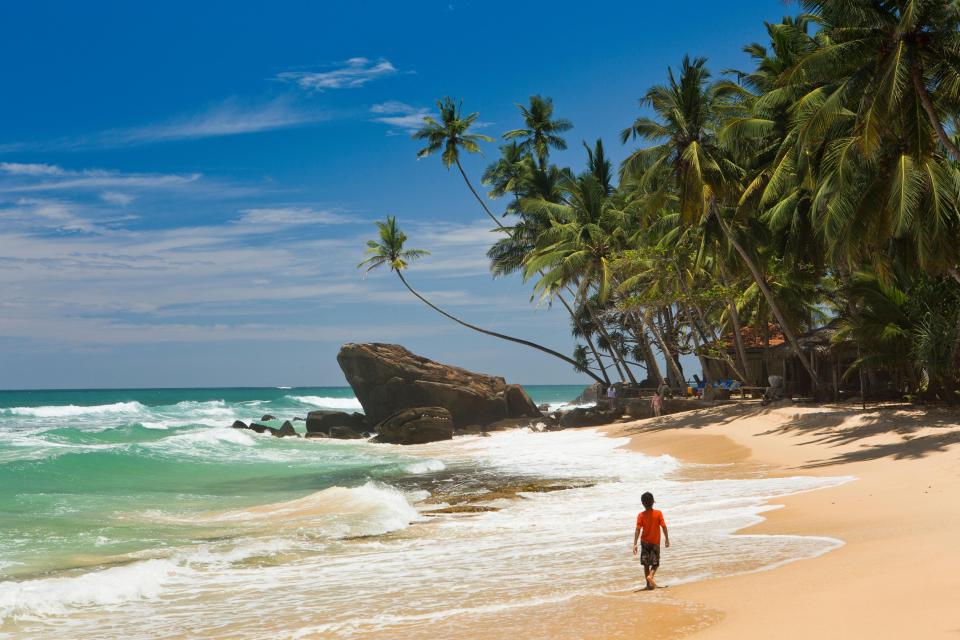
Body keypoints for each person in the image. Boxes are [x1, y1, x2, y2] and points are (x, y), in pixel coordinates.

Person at [632, 491, 669, 590]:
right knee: (655, 563)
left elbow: (637, 529)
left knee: (646, 564)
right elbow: (664, 526)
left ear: (642, 503)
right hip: (655, 542)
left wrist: (635, 544)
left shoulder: (641, 515)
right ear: (653, 501)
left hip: (644, 542)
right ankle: (651, 576)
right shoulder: (658, 513)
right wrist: (667, 539)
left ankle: (648, 585)